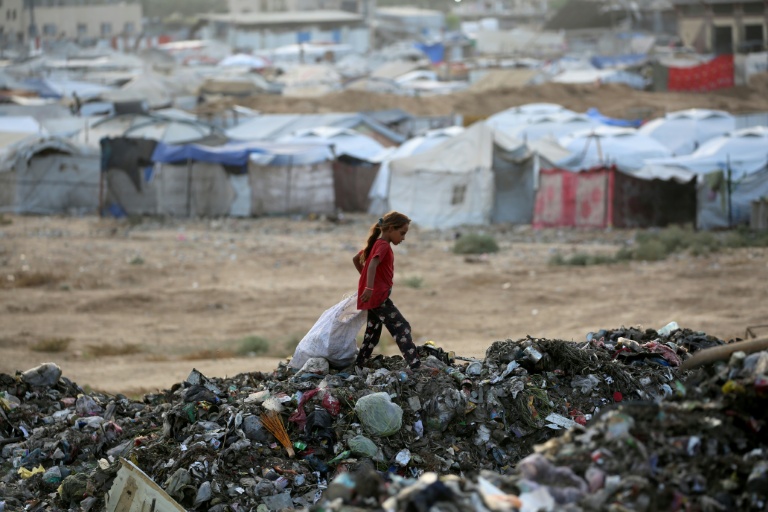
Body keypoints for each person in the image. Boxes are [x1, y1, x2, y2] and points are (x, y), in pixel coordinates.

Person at [353, 211, 421, 371]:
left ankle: (359, 365)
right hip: (378, 298)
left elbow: (356, 259)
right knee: (401, 327)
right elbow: (372, 264)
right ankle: (415, 365)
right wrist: (369, 287)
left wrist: (366, 283)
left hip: (375, 297)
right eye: (402, 233)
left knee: (372, 333)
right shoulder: (382, 245)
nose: (403, 238)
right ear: (390, 228)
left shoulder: (377, 244)